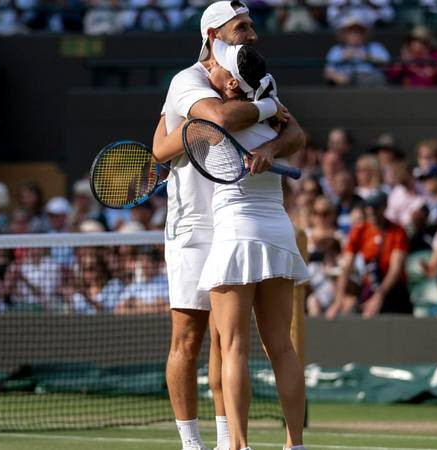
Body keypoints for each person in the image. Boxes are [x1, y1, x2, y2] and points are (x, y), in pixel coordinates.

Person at [150, 2, 307, 449]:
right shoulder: (187, 81)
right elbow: (197, 129)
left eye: (253, 25)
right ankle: (191, 443)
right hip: (194, 223)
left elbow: (296, 133)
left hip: (237, 222)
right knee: (190, 336)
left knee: (228, 340)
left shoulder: (257, 79)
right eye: (243, 26)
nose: (253, 33)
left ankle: (226, 442)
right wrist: (265, 109)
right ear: (214, 35)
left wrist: (272, 146)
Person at [193, 41, 309, 450]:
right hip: (278, 231)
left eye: (216, 68)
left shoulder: (217, 113)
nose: (207, 70)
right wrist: (271, 143)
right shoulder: (272, 112)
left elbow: (165, 145)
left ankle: (239, 446)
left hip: (236, 235)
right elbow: (297, 131)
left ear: (230, 81)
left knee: (233, 346)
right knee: (282, 345)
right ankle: (295, 444)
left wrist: (268, 149)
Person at [328, 191, 411, 319]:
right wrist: (338, 300)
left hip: (393, 288)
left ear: (384, 207)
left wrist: (379, 296)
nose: (371, 211)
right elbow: (347, 266)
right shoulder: (360, 230)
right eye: (369, 207)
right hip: (370, 285)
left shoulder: (397, 232)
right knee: (354, 311)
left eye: (376, 207)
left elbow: (395, 269)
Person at [323, 14, 389, 87]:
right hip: (347, 85)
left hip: (372, 83)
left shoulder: (375, 47)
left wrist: (367, 57)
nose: (356, 35)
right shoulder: (336, 50)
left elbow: (387, 65)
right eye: (351, 32)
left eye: (360, 31)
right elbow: (328, 73)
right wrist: (342, 59)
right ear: (344, 34)